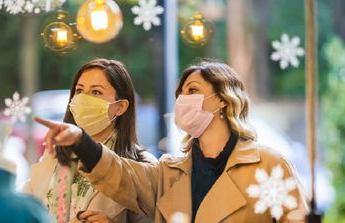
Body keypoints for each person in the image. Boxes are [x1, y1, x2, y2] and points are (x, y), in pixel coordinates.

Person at [35, 60, 308, 223]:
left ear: (223, 100)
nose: (183, 100)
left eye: (193, 90)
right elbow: (120, 173)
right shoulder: (169, 174)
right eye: (181, 93)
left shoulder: (269, 166)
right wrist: (82, 141)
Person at [23, 59, 157, 223]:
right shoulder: (54, 155)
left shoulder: (141, 165)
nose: (83, 99)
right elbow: (25, 207)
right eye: (79, 91)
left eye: (96, 92)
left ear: (120, 107)